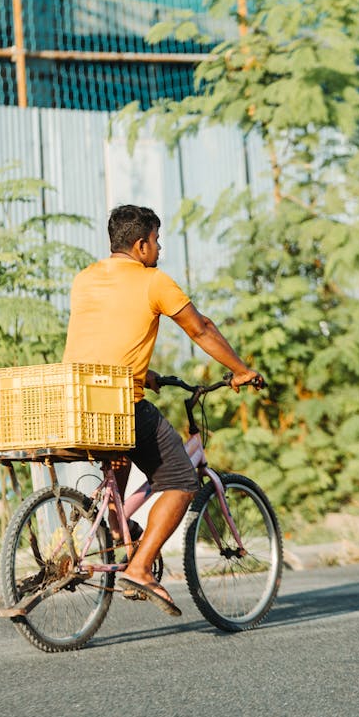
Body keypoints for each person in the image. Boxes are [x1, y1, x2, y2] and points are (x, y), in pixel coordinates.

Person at [63, 203, 262, 618]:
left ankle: (120, 531)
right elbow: (200, 328)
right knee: (181, 479)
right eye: (156, 240)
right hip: (119, 405)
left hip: (77, 403)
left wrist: (146, 372)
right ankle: (139, 568)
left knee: (119, 472)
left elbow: (104, 336)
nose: (159, 248)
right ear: (140, 245)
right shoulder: (153, 281)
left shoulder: (86, 278)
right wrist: (241, 370)